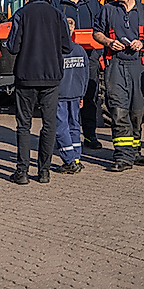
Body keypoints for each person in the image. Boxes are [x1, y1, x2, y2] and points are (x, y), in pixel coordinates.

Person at [7, 0, 71, 185]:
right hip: (51, 76)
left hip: (26, 75)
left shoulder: (21, 14)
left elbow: (13, 46)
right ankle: (44, 171)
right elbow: (67, 46)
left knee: (23, 125)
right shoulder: (57, 14)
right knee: (49, 124)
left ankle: (22, 172)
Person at [93, 0, 144, 172]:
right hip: (115, 66)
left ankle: (134, 151)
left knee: (137, 111)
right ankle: (122, 156)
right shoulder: (108, 10)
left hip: (139, 66)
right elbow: (96, 32)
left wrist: (143, 42)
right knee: (118, 110)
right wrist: (108, 42)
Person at [50, 0, 104, 149]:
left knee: (90, 96)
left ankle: (90, 136)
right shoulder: (57, 3)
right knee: (64, 99)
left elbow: (101, 27)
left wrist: (97, 55)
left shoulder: (92, 3)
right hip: (64, 58)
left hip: (89, 58)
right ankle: (64, 139)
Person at [55, 18, 89, 174]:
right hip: (76, 94)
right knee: (74, 125)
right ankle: (76, 157)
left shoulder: (56, 51)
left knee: (60, 127)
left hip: (60, 95)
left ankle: (69, 160)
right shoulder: (80, 50)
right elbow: (86, 74)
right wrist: (82, 94)